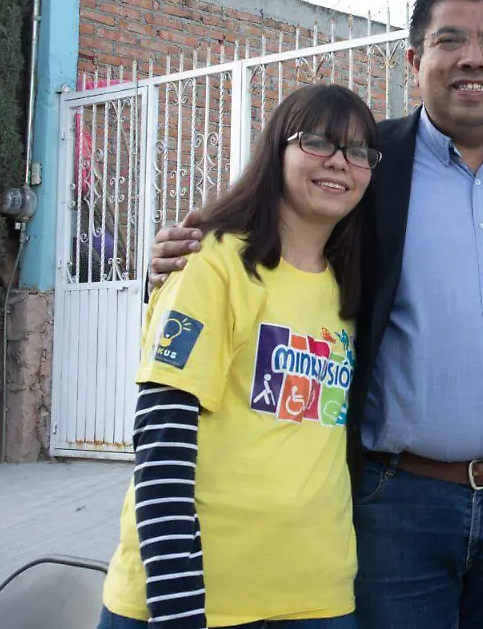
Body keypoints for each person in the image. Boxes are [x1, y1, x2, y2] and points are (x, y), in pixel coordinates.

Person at [147, 0, 483, 629]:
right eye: (449, 39)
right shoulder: (365, 165)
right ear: (413, 61)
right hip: (397, 502)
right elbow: (275, 230)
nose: (472, 58)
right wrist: (188, 252)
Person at [98, 84, 379, 629]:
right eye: (319, 142)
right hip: (200, 602)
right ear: (276, 150)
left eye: (359, 151)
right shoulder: (213, 265)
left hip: (318, 598)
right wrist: (179, 610)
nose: (340, 163)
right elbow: (161, 449)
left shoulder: (351, 289)